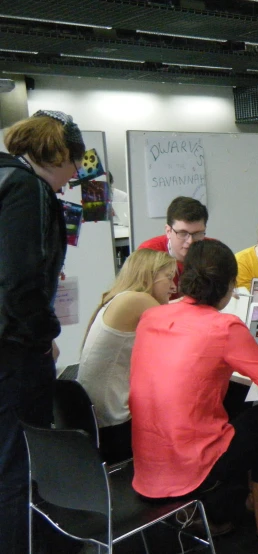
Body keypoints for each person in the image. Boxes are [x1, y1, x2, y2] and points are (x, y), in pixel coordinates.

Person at [130, 240, 258, 552]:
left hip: (147, 463)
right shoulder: (224, 326)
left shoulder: (152, 316)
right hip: (190, 466)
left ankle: (233, 506)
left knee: (234, 395)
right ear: (229, 286)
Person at [0, 110, 85, 552]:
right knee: (17, 468)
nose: (73, 177)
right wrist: (43, 333)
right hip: (15, 356)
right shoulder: (27, 189)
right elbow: (20, 283)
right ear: (58, 154)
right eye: (75, 164)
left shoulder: (3, 175)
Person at [76, 249, 176, 464]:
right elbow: (179, 327)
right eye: (169, 277)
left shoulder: (119, 299)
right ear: (148, 274)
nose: (174, 286)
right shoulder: (138, 300)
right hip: (115, 427)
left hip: (96, 420)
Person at [138, 196, 208, 298]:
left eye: (197, 233)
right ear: (168, 231)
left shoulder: (213, 251)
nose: (190, 241)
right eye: (183, 233)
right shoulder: (149, 253)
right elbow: (141, 302)